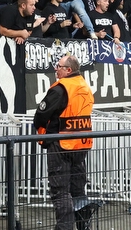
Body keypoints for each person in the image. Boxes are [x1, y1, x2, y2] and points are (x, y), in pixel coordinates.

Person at [33, 54, 95, 230]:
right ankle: (84, 227)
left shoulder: (61, 89)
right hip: (81, 145)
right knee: (78, 190)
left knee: (60, 191)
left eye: (58, 66)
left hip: (61, 144)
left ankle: (64, 228)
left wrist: (41, 129)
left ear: (68, 70)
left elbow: (41, 115)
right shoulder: (84, 86)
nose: (56, 69)